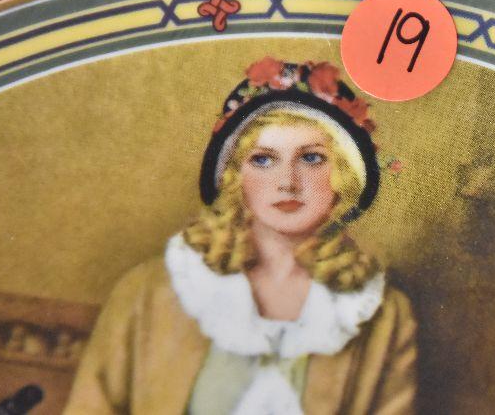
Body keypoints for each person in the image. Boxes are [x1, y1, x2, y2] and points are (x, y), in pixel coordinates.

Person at [63, 57, 418, 414]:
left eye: (311, 158)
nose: (287, 182)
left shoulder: (382, 315)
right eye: (263, 159)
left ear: (343, 173)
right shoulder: (149, 292)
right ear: (235, 177)